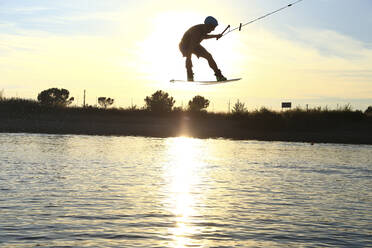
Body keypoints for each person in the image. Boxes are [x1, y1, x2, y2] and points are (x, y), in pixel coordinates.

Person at [179, 16, 227, 82]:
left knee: (209, 56)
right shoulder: (196, 31)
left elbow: (204, 36)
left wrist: (216, 35)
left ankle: (219, 76)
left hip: (195, 45)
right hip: (184, 46)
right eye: (213, 27)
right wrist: (188, 58)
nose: (213, 30)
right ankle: (189, 76)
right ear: (208, 25)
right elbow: (191, 47)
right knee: (188, 58)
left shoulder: (204, 29)